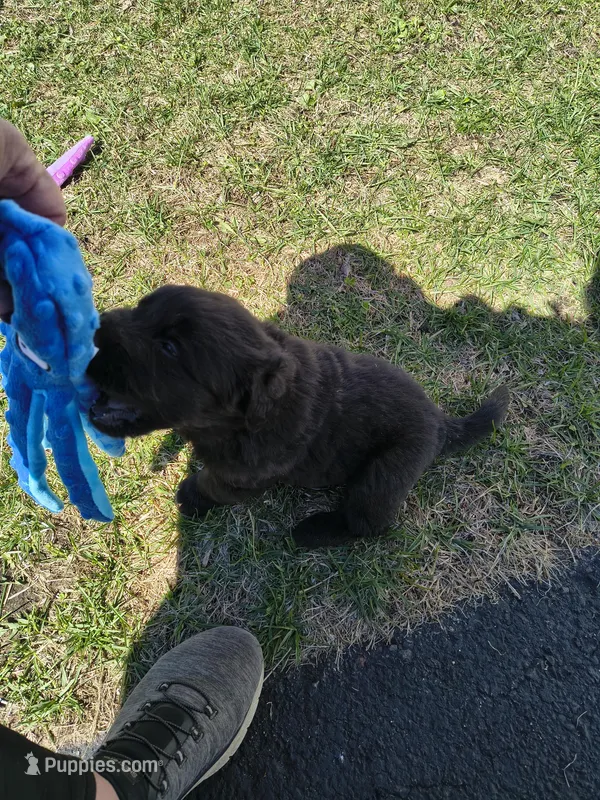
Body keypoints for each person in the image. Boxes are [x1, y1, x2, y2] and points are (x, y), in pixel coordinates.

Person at [0, 119, 265, 799]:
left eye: (170, 345)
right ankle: (122, 787)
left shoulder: (269, 414)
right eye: (148, 314)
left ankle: (112, 787)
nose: (108, 326)